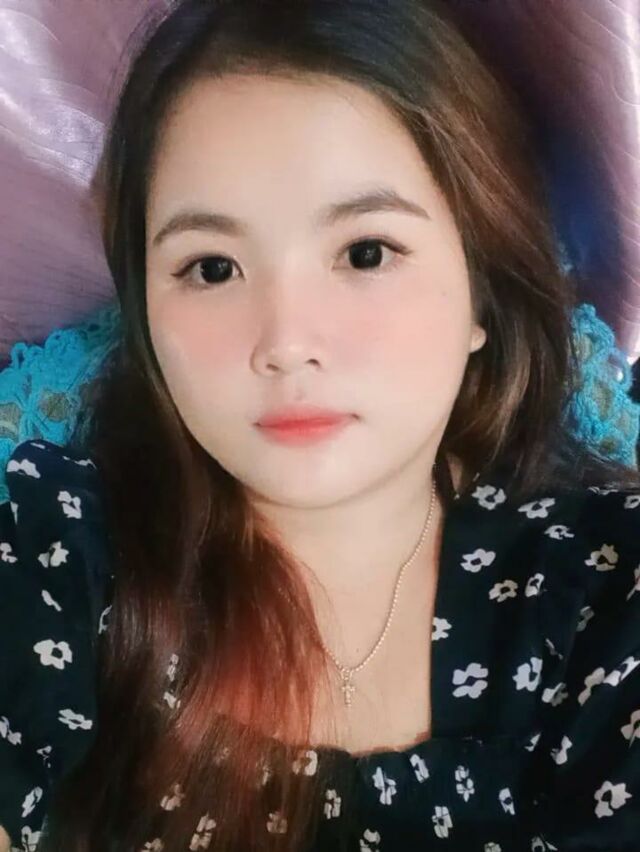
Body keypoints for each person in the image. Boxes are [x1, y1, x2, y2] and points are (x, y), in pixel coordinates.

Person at [1, 0, 639, 850]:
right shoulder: (55, 550)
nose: (285, 342)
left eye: (365, 253)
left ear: (482, 291)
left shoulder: (608, 591)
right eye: (212, 268)